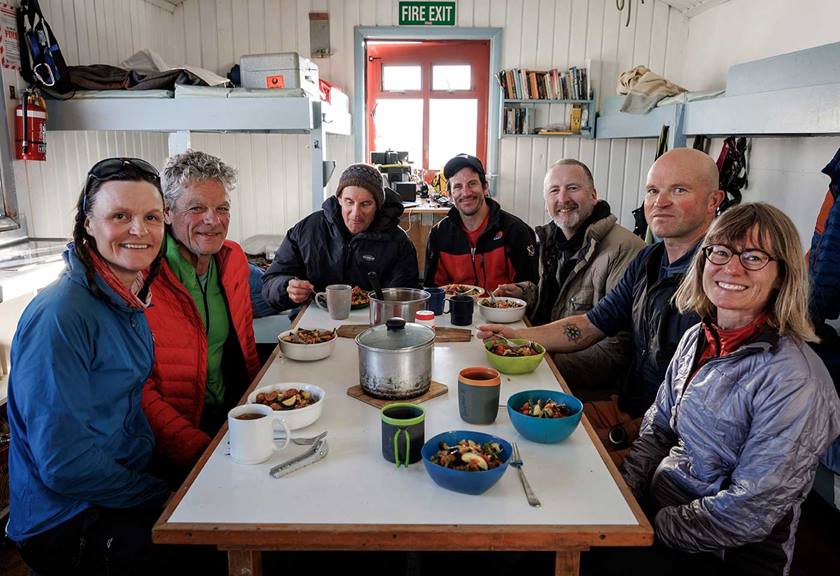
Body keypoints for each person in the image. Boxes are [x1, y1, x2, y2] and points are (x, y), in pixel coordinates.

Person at [598, 203, 840, 576]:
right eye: (721, 251)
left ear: (781, 276)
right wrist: (625, 500)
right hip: (662, 513)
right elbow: (658, 430)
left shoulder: (795, 380)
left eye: (754, 256)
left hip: (724, 552)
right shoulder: (699, 336)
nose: (731, 267)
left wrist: (650, 528)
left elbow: (749, 510)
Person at [479, 148, 724, 463]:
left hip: (673, 438)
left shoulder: (720, 273)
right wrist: (515, 338)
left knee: (544, 460)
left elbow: (711, 399)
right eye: (652, 191)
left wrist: (637, 436)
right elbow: (591, 324)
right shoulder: (650, 259)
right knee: (517, 440)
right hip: (632, 408)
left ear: (714, 200)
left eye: (679, 190)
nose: (660, 202)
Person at [6, 158, 171, 574]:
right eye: (120, 216)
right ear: (87, 225)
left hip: (116, 479)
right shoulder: (62, 317)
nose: (140, 230)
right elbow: (65, 464)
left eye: (151, 217)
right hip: (66, 518)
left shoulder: (124, 298)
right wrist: (156, 493)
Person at [142, 150, 260, 478]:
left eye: (222, 208)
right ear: (166, 212)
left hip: (230, 419)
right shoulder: (143, 276)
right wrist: (195, 448)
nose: (213, 220)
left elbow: (245, 342)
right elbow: (136, 388)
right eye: (196, 208)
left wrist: (258, 410)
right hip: (171, 444)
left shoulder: (233, 259)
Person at [494, 159, 643, 394]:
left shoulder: (625, 249)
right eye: (554, 190)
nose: (563, 198)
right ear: (546, 203)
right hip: (546, 352)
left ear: (593, 195)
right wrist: (525, 293)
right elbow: (558, 301)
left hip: (589, 387)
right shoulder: (552, 240)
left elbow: (619, 345)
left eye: (572, 188)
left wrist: (542, 359)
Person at [262, 163, 419, 311]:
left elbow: (405, 296)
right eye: (349, 202)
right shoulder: (307, 230)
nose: (356, 213)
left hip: (373, 322)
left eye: (365, 204)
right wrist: (286, 288)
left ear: (378, 205)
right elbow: (270, 283)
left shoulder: (398, 243)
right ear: (339, 199)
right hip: (314, 322)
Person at [424, 153, 539, 291]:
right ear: (449, 195)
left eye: (472, 184)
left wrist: (519, 293)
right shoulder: (439, 235)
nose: (466, 193)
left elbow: (531, 293)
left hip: (505, 311)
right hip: (454, 311)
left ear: (485, 188)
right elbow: (432, 292)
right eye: (458, 187)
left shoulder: (516, 231)